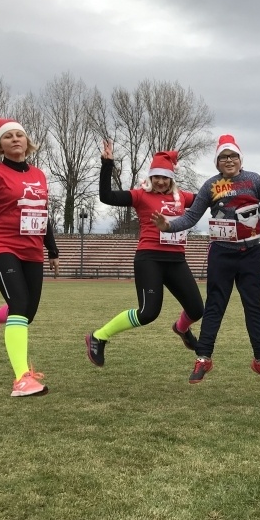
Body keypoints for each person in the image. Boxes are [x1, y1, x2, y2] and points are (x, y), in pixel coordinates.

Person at [152, 134, 260, 387]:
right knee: (215, 306)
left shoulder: (254, 180)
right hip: (221, 254)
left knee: (253, 307)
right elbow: (191, 218)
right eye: (223, 157)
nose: (229, 160)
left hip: (250, 254)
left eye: (233, 156)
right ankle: (203, 357)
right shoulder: (211, 185)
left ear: (240, 158)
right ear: (217, 162)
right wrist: (168, 225)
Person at [0, 111, 59, 397]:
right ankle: (22, 379)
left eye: (19, 134)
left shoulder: (39, 174)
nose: (14, 139)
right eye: (8, 136)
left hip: (32, 249)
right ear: (0, 145)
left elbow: (42, 213)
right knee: (19, 302)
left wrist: (52, 249)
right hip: (0, 244)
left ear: (27, 141)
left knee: (26, 313)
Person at [84, 141, 204, 367]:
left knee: (197, 309)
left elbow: (207, 199)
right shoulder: (140, 196)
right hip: (150, 258)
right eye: (156, 176)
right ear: (150, 177)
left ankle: (181, 328)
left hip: (176, 260)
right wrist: (107, 164)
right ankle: (99, 336)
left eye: (165, 177)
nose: (160, 181)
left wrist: (226, 186)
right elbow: (106, 196)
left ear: (172, 178)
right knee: (148, 312)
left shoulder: (183, 198)